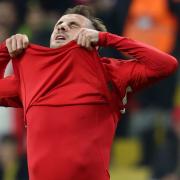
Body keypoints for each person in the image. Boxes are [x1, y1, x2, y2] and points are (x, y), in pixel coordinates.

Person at [0, 5, 178, 180]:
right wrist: (5, 50)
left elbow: (166, 65)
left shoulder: (109, 72)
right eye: (59, 24)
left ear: (94, 41)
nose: (62, 26)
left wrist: (107, 38)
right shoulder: (32, 75)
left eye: (73, 25)